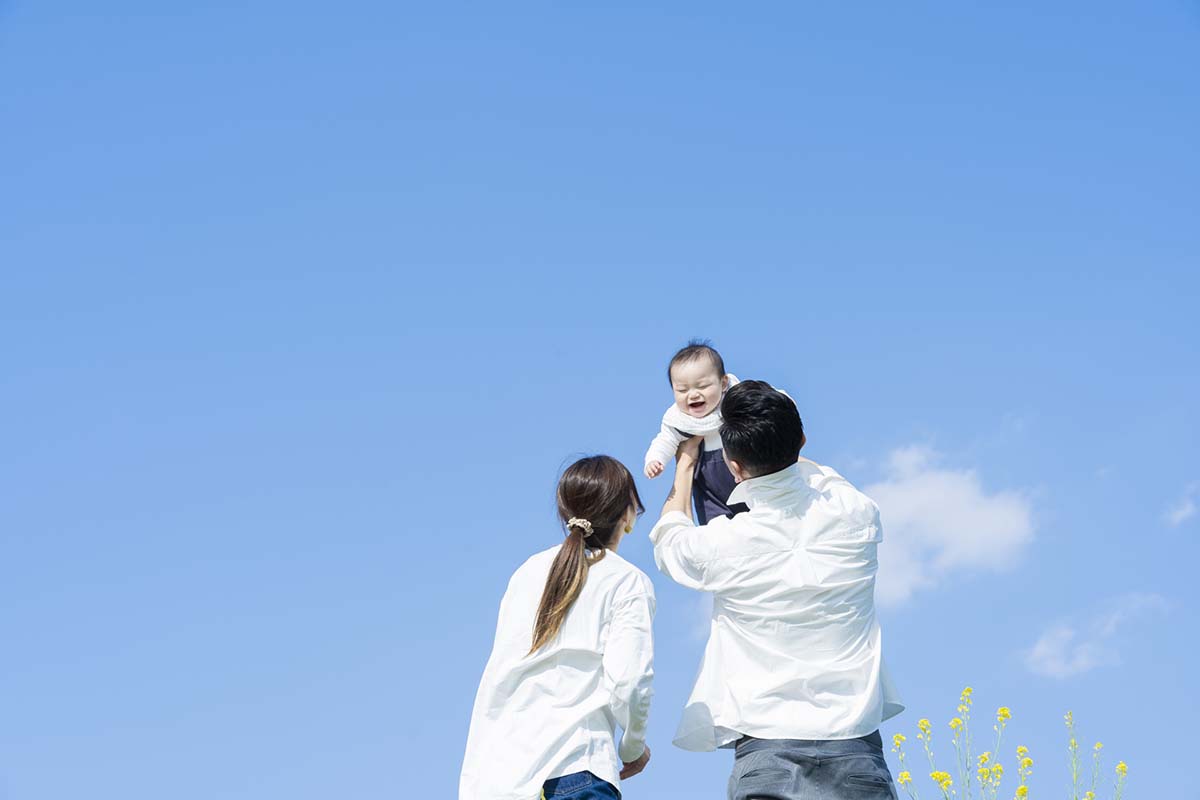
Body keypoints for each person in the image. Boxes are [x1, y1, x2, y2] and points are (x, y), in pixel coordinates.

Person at [649, 381, 904, 800]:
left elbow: (669, 537)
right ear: (801, 441)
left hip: (766, 747)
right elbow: (815, 472)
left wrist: (685, 462)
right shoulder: (856, 514)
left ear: (733, 467)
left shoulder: (725, 545)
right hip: (856, 745)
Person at [460, 455, 655, 800]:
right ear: (626, 516)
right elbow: (628, 680)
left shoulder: (526, 573)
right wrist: (632, 746)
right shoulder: (625, 580)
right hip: (574, 765)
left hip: (498, 775)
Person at [643, 340, 748, 525]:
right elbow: (665, 440)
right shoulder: (679, 420)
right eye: (682, 390)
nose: (692, 394)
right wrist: (655, 460)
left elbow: (766, 399)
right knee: (714, 525)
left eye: (702, 386)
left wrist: (785, 402)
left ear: (723, 383)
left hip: (744, 471)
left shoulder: (736, 398)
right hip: (709, 483)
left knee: (758, 513)